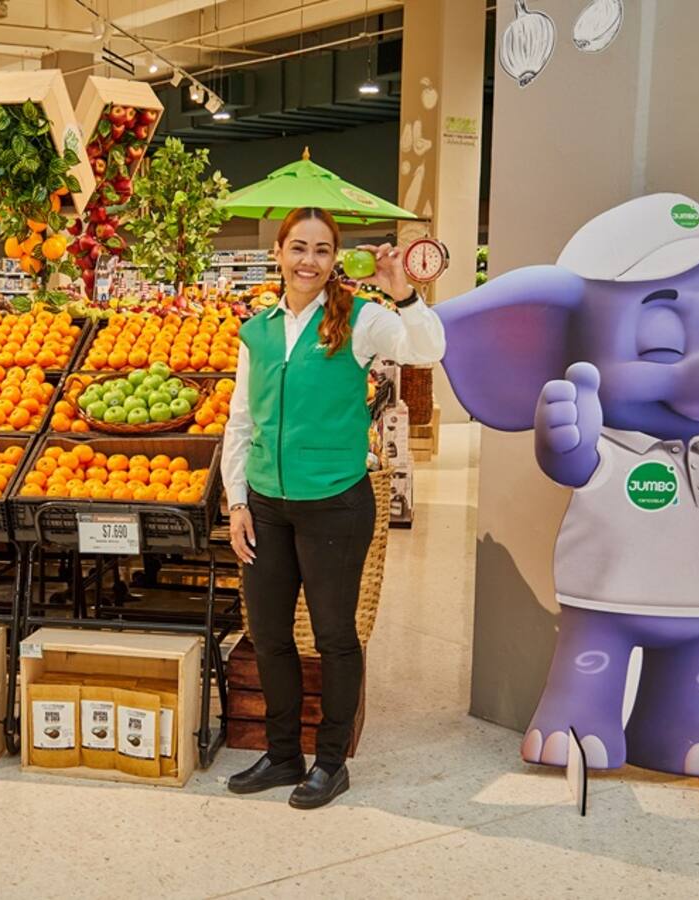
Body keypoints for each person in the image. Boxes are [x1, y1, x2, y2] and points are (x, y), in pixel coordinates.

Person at [222, 206, 446, 809]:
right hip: (266, 503)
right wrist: (236, 499)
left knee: (333, 636)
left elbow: (427, 352)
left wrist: (406, 296)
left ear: (335, 259)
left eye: (322, 250)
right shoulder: (259, 329)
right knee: (267, 634)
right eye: (299, 247)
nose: (309, 261)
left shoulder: (362, 318)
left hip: (334, 504)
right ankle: (282, 753)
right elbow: (242, 418)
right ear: (279, 252)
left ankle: (329, 761)